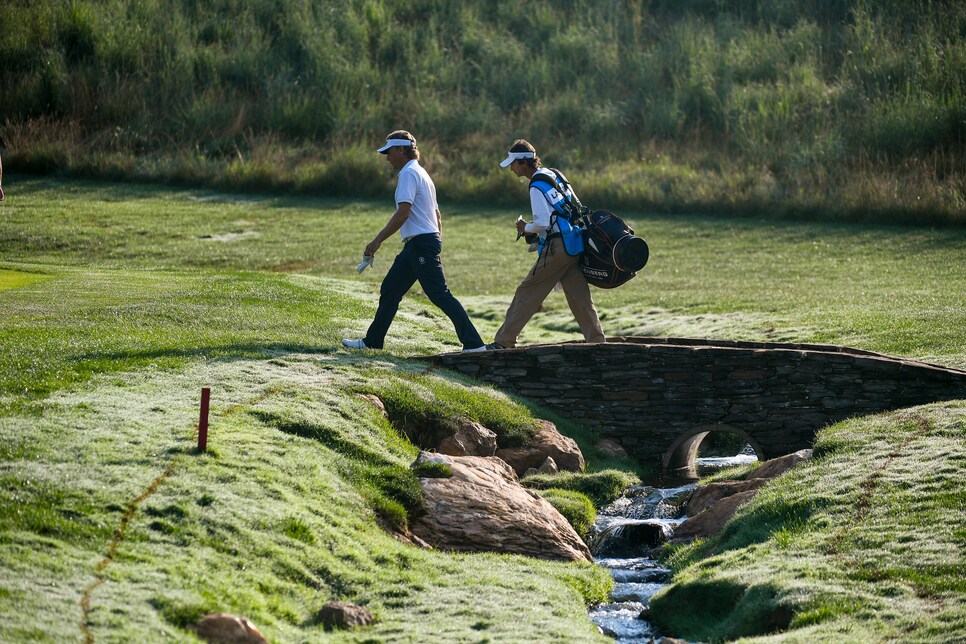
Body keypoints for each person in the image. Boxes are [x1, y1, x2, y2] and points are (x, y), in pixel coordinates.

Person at [342, 130, 486, 353]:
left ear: (401, 150)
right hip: (419, 244)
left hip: (420, 244)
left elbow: (403, 213)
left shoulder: (408, 174)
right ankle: (372, 342)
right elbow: (437, 214)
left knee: (439, 294)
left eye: (389, 152)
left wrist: (377, 241)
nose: (387, 157)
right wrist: (437, 240)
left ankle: (474, 344)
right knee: (390, 288)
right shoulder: (422, 173)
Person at [487, 139, 605, 349]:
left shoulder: (535, 186)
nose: (511, 169)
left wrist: (525, 228)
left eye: (513, 164)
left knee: (527, 291)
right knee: (580, 298)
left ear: (524, 163)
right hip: (574, 244)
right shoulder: (555, 174)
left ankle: (504, 341)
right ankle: (597, 342)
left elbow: (542, 223)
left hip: (557, 248)